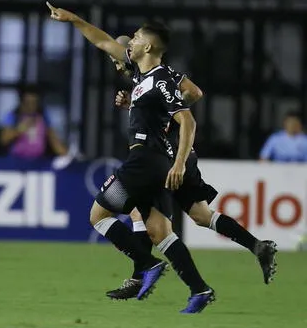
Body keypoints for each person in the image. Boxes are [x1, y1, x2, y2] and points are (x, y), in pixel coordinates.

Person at [47, 1, 214, 313]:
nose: (129, 41)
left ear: (148, 45)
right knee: (158, 231)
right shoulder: (142, 78)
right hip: (151, 163)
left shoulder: (162, 79)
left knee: (98, 216)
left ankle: (146, 266)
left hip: (145, 162)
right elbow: (102, 40)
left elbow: (188, 120)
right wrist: (73, 19)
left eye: (135, 37)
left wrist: (179, 163)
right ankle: (200, 289)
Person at [105, 35, 277, 300]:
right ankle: (257, 246)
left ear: (130, 52)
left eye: (117, 60)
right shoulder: (143, 79)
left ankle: (140, 278)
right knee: (200, 214)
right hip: (179, 155)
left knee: (142, 214)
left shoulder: (156, 74)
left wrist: (169, 119)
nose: (117, 67)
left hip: (167, 155)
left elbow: (194, 93)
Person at [0, 85, 68, 158]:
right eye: (28, 103)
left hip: (38, 162)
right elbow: (3, 139)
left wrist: (66, 155)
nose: (31, 106)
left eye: (34, 102)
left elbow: (54, 140)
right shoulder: (13, 116)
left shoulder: (43, 116)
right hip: (16, 160)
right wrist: (19, 130)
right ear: (22, 102)